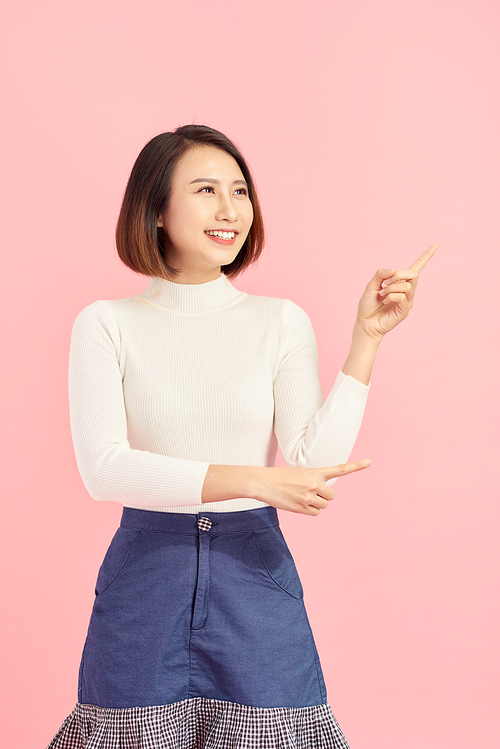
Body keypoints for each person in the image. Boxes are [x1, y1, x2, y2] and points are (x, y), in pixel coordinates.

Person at [47, 124, 436, 749]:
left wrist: (369, 338)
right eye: (206, 190)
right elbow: (103, 469)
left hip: (254, 571)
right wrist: (253, 479)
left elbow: (312, 461)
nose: (231, 210)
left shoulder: (278, 321)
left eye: (241, 191)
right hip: (146, 572)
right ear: (156, 210)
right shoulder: (106, 324)